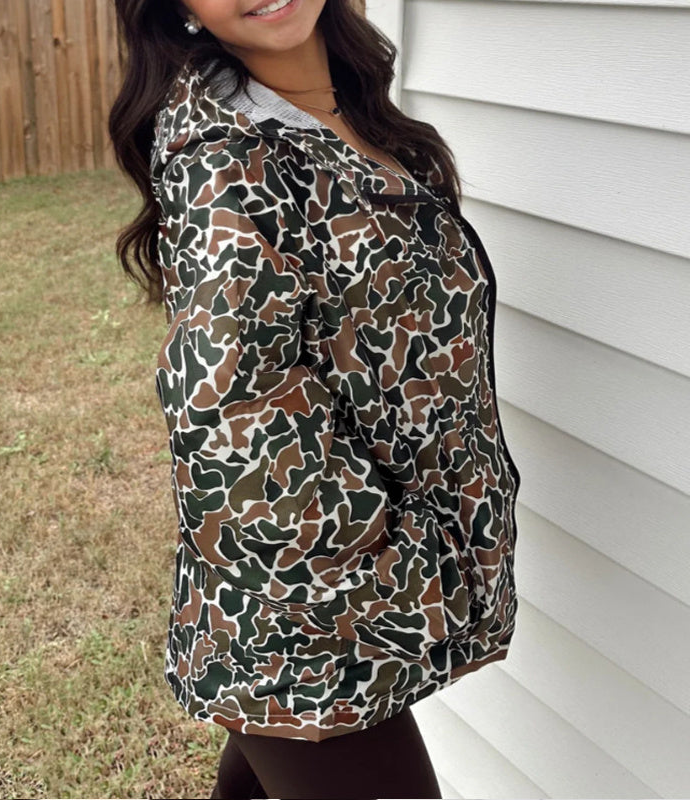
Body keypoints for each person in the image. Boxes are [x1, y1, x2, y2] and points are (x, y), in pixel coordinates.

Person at [108, 0, 522, 796]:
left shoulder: (345, 103)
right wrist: (392, 575)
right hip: (315, 618)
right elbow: (235, 422)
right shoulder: (227, 160)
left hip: (337, 598)